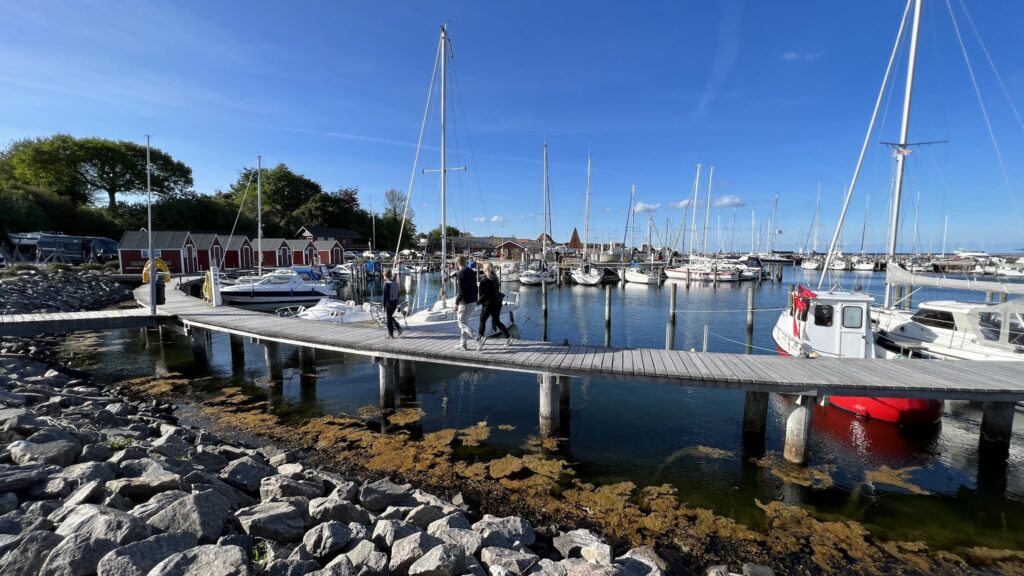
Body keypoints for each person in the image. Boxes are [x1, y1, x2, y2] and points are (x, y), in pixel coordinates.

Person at [477, 262, 512, 348]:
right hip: (497, 302)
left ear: (485, 269)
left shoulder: (484, 280)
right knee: (496, 321)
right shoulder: (496, 278)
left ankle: (480, 340)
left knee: (482, 321)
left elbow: (482, 295)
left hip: (488, 304)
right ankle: (508, 337)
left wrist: (477, 302)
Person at [453, 255, 479, 351]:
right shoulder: (471, 271)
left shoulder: (461, 273)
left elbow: (461, 290)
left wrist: (456, 303)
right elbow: (476, 287)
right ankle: (463, 344)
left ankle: (477, 337)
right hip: (472, 300)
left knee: (462, 323)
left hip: (465, 302)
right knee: (465, 322)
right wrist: (476, 299)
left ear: (457, 263)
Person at [382, 269, 402, 338]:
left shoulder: (386, 284)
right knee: (390, 316)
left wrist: (384, 306)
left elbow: (385, 296)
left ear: (385, 276)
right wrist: (398, 304)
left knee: (388, 318)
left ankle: (390, 334)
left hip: (389, 302)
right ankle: (398, 328)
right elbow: (398, 294)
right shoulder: (396, 283)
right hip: (395, 301)